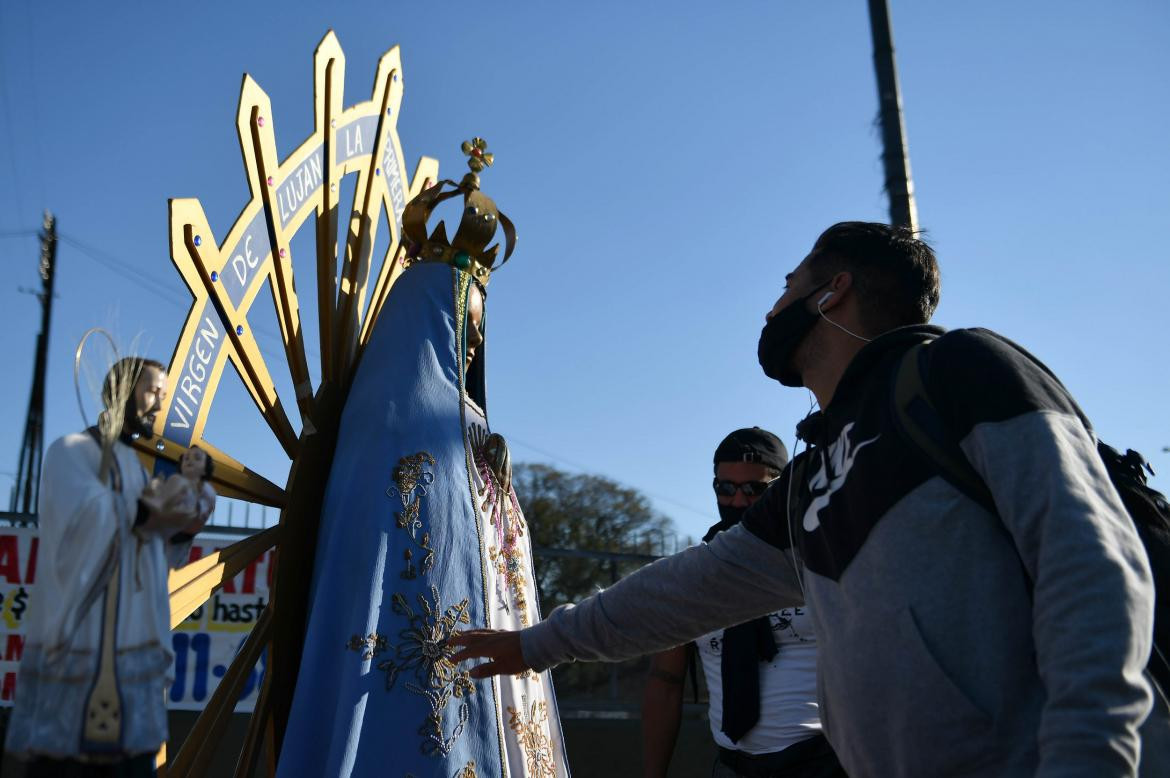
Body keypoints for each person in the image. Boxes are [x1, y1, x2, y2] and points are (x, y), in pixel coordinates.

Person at [452, 222, 1156, 777]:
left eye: (789, 285)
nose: (772, 306)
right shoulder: (807, 484)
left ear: (831, 293)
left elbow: (1091, 565)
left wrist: (1087, 760)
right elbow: (683, 592)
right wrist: (535, 645)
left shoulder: (962, 369)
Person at [276, 152, 568, 777]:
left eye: (480, 324)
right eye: (468, 318)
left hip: (497, 654)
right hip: (427, 661)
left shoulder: (471, 425)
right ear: (432, 318)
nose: (476, 338)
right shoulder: (394, 423)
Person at [5, 357, 213, 777]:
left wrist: (181, 529)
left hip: (131, 647)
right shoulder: (71, 452)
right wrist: (140, 512)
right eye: (153, 391)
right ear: (123, 389)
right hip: (84, 644)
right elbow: (75, 524)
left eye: (165, 396)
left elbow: (152, 557)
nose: (159, 405)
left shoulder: (135, 470)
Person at [642, 427, 844, 778]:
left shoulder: (821, 558)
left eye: (754, 489)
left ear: (782, 488)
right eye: (725, 488)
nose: (737, 501)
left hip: (824, 760)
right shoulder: (697, 571)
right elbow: (665, 680)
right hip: (733, 765)